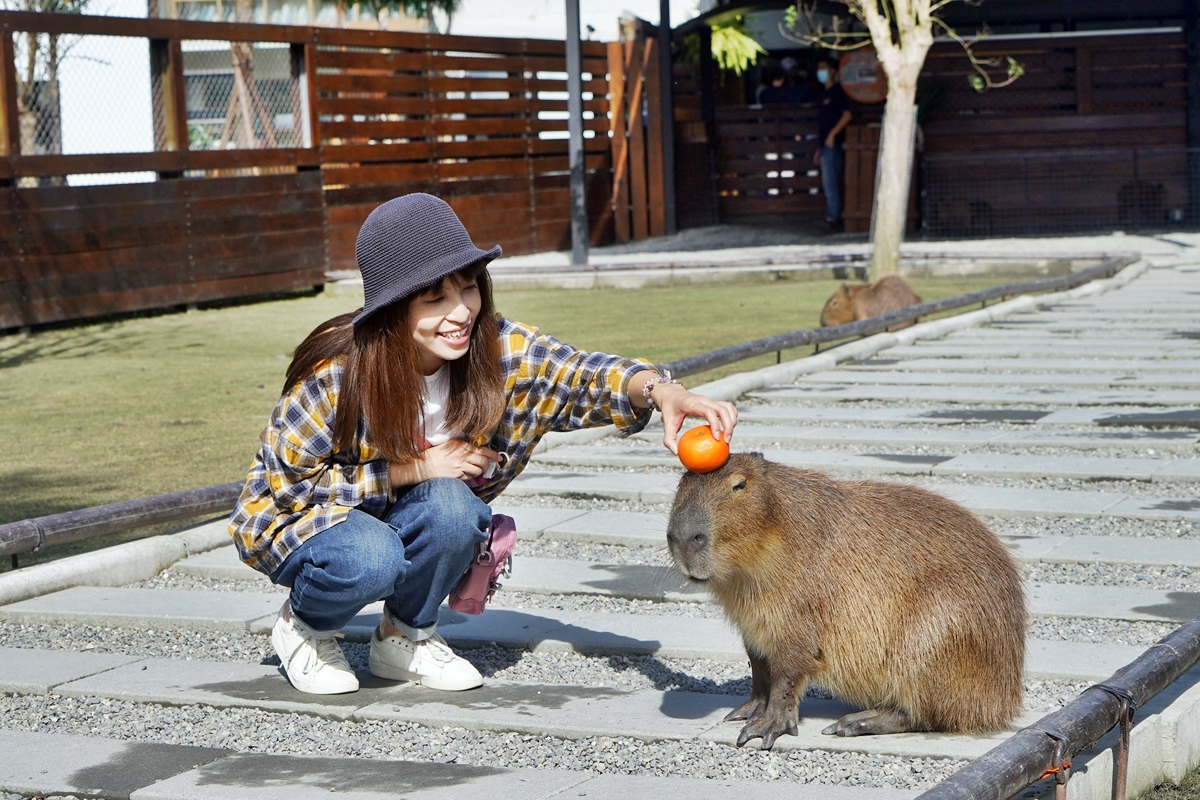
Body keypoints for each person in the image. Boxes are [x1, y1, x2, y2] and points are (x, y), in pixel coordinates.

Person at [228, 193, 739, 696]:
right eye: (434, 299)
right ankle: (306, 626)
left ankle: (402, 637)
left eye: (468, 289)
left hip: (401, 517)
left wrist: (662, 390)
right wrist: (414, 469)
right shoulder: (337, 376)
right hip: (312, 523)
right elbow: (288, 492)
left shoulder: (497, 353)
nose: (460, 313)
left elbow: (580, 374)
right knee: (372, 554)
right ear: (392, 308)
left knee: (455, 509)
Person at [812, 57, 853, 231]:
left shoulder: (837, 92)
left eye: (823, 68)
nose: (820, 71)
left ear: (832, 71)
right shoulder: (824, 94)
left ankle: (833, 218)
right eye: (819, 68)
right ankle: (832, 215)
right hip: (825, 144)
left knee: (831, 182)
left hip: (834, 143)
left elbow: (847, 115)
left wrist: (832, 135)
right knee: (828, 182)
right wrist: (819, 148)